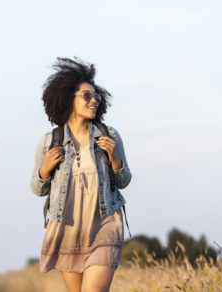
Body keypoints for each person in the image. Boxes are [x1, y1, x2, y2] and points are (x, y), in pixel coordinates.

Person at [30, 57, 132, 292]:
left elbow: (124, 181)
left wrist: (115, 159)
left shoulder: (109, 135)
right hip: (68, 230)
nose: (93, 100)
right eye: (86, 95)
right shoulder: (48, 142)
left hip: (105, 227)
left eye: (96, 95)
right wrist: (45, 168)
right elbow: (37, 189)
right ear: (68, 99)